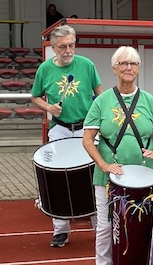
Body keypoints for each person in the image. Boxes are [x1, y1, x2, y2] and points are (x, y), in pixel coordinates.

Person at [82, 46, 153, 265]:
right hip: (108, 178)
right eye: (123, 63)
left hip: (144, 178)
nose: (128, 68)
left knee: (144, 225)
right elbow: (87, 139)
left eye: (133, 64)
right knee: (106, 228)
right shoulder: (102, 101)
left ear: (138, 68)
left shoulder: (149, 100)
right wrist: (103, 165)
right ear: (114, 68)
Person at [31, 24, 103, 247]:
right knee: (58, 178)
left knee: (94, 175)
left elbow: (100, 94)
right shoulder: (45, 69)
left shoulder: (87, 64)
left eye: (71, 45)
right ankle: (60, 229)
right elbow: (35, 97)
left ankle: (100, 226)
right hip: (60, 128)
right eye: (63, 47)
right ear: (53, 48)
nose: (68, 50)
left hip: (86, 128)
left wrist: (100, 118)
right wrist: (49, 107)